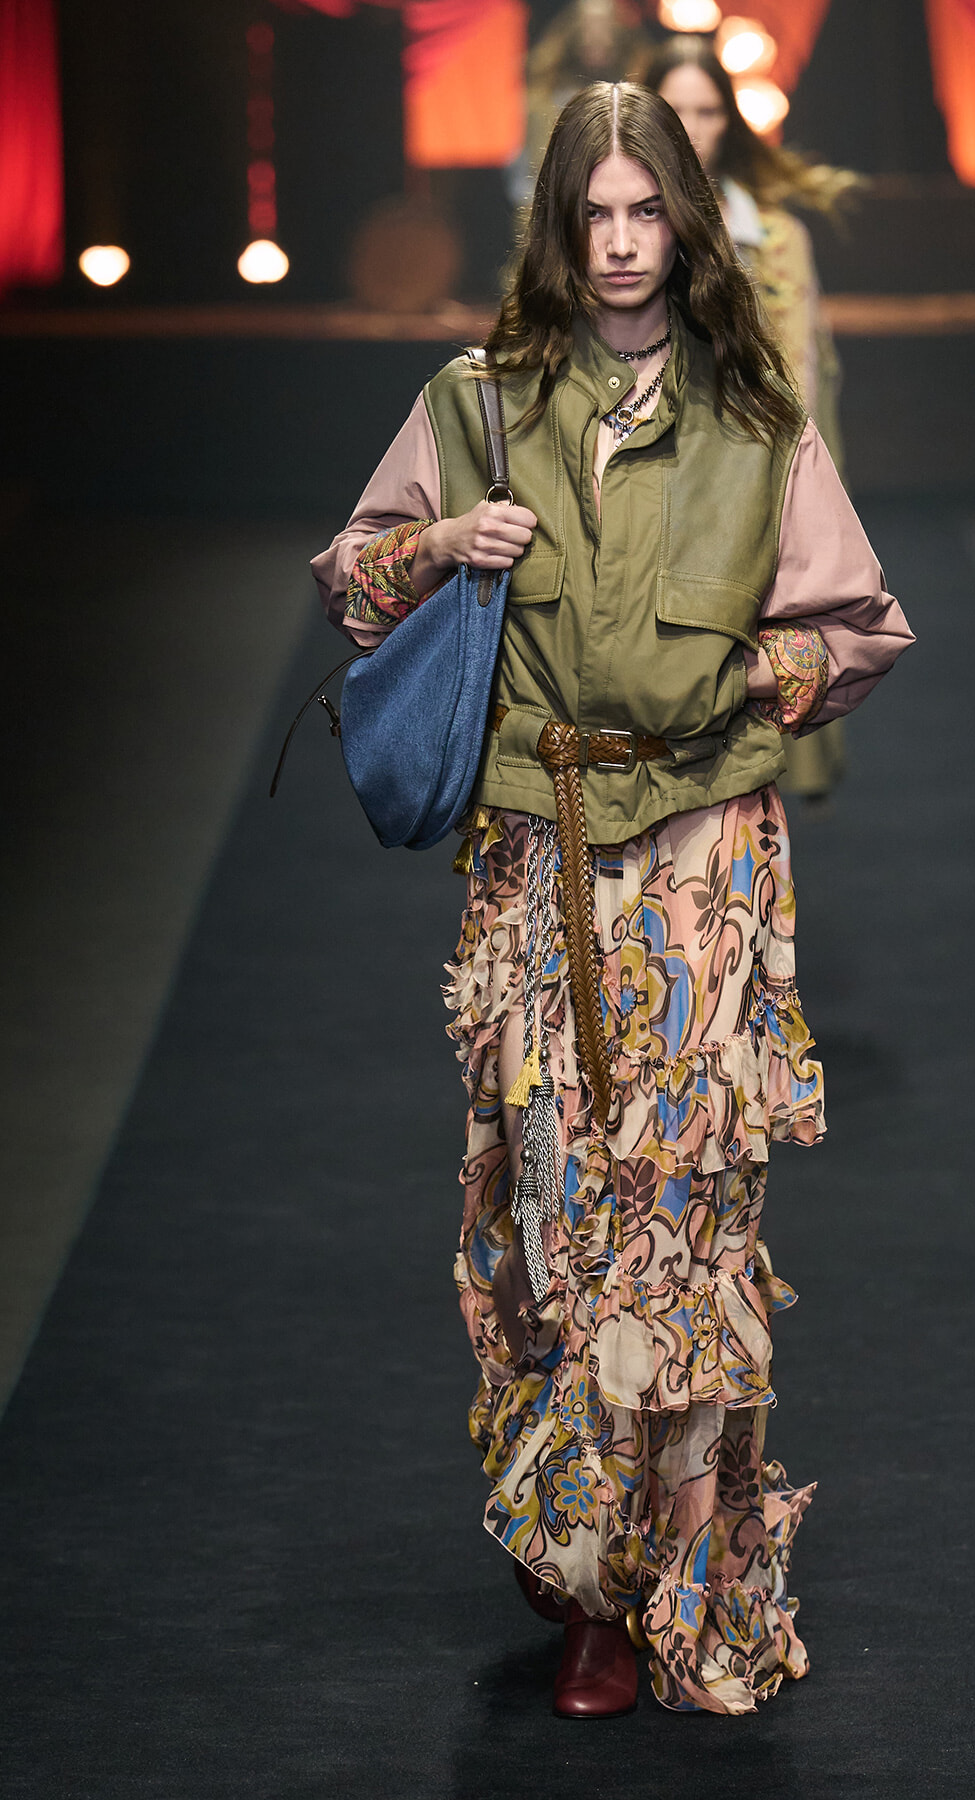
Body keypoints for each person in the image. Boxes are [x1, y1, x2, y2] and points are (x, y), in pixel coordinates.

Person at [312, 81, 913, 1720]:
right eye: (600, 217)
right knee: (561, 1227)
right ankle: (587, 1551)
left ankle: (681, 1585)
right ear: (561, 232)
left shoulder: (751, 411)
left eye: (654, 213)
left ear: (691, 225)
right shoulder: (478, 401)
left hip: (709, 867)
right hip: (539, 854)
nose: (630, 246)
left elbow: (862, 622)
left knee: (693, 1225)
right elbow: (352, 582)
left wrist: (766, 669)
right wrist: (444, 541)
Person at [645, 33, 863, 806]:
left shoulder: (774, 239)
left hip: (756, 488)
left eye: (708, 111)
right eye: (677, 111)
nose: (694, 129)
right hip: (647, 494)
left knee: (752, 709)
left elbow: (803, 386)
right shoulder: (614, 235)